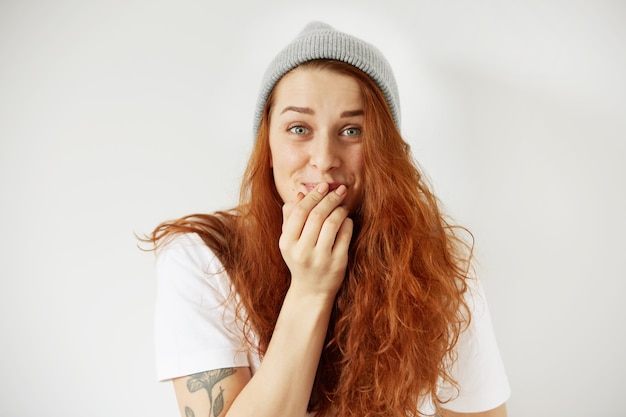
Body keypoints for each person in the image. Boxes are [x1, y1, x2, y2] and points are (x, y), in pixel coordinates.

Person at [146, 21, 510, 417]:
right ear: (267, 143)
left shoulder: (435, 263)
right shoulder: (200, 258)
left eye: (352, 130)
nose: (323, 159)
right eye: (299, 128)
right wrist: (311, 289)